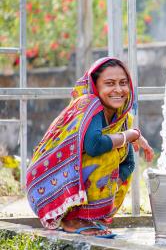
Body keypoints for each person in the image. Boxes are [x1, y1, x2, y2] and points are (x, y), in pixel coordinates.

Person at [25, 57, 154, 237]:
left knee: (118, 160)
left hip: (73, 179)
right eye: (109, 83)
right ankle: (72, 219)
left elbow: (129, 162)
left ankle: (91, 217)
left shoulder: (122, 116)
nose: (118, 90)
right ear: (95, 86)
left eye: (123, 83)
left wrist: (112, 183)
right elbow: (94, 145)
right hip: (45, 185)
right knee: (107, 155)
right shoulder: (89, 104)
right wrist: (132, 135)